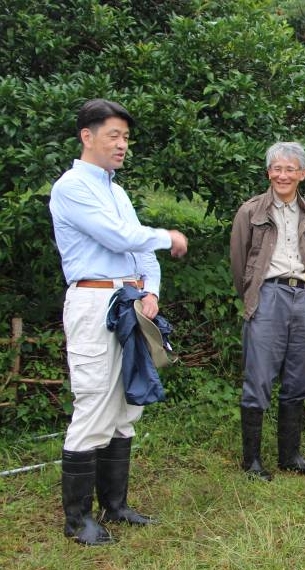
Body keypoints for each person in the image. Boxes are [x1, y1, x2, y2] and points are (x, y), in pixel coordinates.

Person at [49, 99, 189, 545]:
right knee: (93, 402)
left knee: (125, 406)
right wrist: (169, 236)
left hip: (129, 303)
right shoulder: (72, 187)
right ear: (86, 136)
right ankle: (78, 519)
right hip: (93, 302)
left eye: (126, 137)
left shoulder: (115, 190)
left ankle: (116, 505)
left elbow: (139, 250)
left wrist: (152, 291)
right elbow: (118, 237)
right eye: (114, 135)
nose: (122, 144)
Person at [230, 141, 305, 481]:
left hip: (303, 298)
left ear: (302, 174)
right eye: (277, 168)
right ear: (269, 172)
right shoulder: (250, 211)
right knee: (259, 376)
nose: (283, 175)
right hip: (267, 295)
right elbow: (239, 262)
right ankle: (252, 461)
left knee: (299, 377)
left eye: (290, 169)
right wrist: (254, 295)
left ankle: (290, 455)